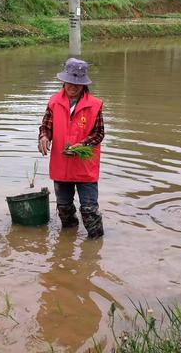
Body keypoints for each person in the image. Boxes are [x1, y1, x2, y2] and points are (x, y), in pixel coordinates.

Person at [38, 58, 105, 238]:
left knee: (90, 211)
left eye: (78, 83)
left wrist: (83, 144)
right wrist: (44, 137)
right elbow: (46, 126)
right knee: (64, 209)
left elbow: (98, 134)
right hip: (61, 165)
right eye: (70, 82)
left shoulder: (94, 105)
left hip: (85, 167)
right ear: (63, 81)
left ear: (84, 84)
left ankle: (95, 245)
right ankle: (66, 243)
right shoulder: (53, 102)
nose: (73, 87)